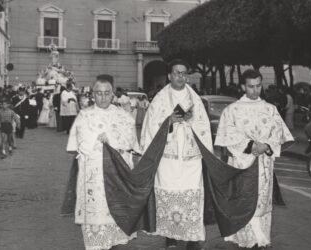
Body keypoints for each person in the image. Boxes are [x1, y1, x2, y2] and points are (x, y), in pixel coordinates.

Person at [215, 69, 293, 250]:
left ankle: (261, 239)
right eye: (251, 86)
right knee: (244, 201)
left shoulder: (270, 109)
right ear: (243, 86)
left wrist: (266, 146)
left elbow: (279, 133)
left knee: (262, 202)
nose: (255, 90)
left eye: (258, 86)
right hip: (242, 165)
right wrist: (250, 146)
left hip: (264, 165)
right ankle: (245, 239)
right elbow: (227, 136)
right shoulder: (232, 110)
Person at [140, 59, 213, 250]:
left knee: (193, 193)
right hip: (167, 158)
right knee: (168, 193)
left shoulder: (195, 99)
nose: (180, 76)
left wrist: (190, 123)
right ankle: (170, 237)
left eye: (183, 73)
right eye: (176, 73)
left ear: (187, 76)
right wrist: (170, 121)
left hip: (191, 159)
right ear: (169, 76)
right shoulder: (160, 99)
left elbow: (204, 128)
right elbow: (150, 127)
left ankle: (192, 237)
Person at [66, 74, 139, 250]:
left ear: (113, 94)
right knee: (96, 220)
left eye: (107, 93)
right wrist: (96, 139)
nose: (103, 97)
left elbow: (131, 143)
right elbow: (77, 144)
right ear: (93, 94)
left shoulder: (124, 116)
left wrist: (111, 138)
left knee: (116, 224)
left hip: (117, 176)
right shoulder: (84, 115)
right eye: (99, 93)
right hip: (94, 176)